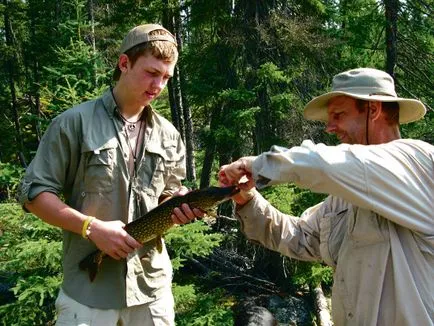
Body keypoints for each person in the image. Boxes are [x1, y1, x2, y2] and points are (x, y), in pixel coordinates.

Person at [217, 68, 433, 325]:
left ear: (373, 110)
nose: (330, 127)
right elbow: (301, 237)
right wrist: (247, 200)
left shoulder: (417, 162)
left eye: (339, 115)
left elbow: (322, 164)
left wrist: (255, 165)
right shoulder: (344, 197)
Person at [18, 23, 200, 326]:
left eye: (166, 77)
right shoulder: (73, 123)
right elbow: (34, 195)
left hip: (152, 292)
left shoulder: (169, 136)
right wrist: (91, 227)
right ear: (124, 63)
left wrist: (177, 205)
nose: (159, 85)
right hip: (88, 294)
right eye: (152, 73)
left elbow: (167, 194)